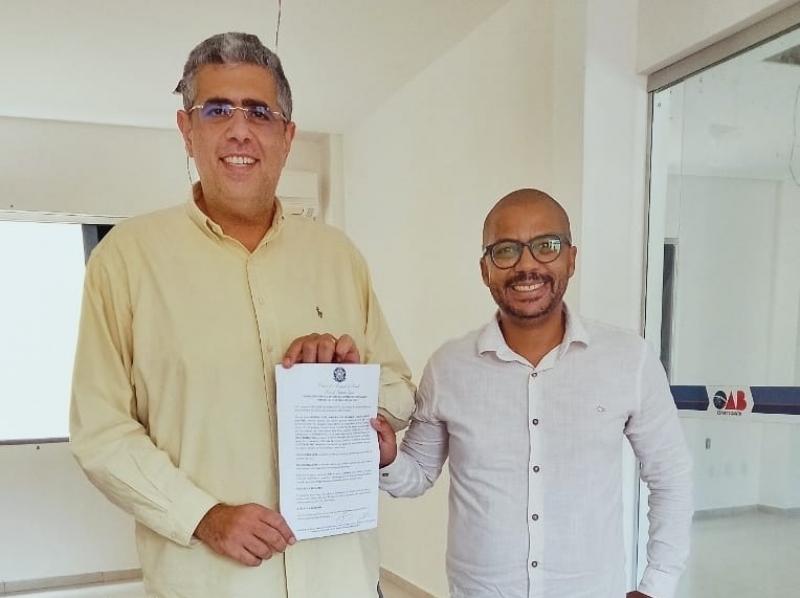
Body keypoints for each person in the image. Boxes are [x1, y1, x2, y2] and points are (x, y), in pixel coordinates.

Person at [70, 32, 414, 598]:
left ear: (287, 137)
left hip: (342, 577)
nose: (239, 130)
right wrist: (203, 516)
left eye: (259, 111)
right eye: (216, 110)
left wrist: (346, 381)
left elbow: (400, 393)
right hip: (211, 583)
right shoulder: (126, 260)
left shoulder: (338, 257)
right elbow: (100, 432)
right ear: (187, 130)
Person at [372, 189, 693, 598]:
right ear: (485, 269)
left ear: (571, 259)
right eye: (506, 250)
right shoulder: (448, 367)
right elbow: (416, 475)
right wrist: (388, 458)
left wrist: (657, 585)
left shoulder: (629, 360)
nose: (527, 265)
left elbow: (670, 476)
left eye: (546, 246)